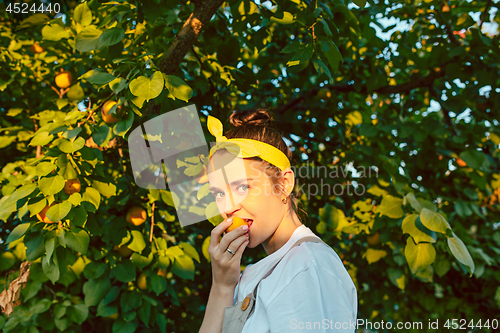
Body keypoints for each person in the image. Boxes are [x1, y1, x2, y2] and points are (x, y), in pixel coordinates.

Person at [198, 109, 357, 333]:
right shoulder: (259, 273)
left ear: (284, 184)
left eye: (242, 187)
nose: (227, 207)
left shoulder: (304, 267)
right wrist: (222, 287)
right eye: (219, 193)